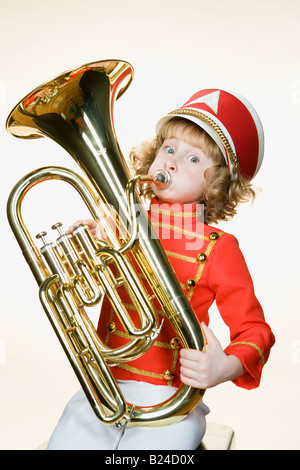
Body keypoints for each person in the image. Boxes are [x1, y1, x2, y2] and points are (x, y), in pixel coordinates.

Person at [47, 89, 275, 450]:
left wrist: (224, 367)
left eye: (193, 158)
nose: (171, 162)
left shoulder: (219, 246)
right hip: (104, 386)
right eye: (168, 149)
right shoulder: (124, 220)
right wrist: (83, 252)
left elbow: (255, 330)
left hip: (170, 400)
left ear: (216, 186)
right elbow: (90, 286)